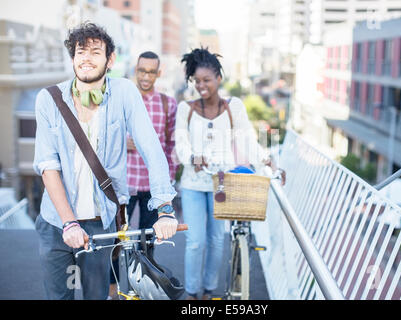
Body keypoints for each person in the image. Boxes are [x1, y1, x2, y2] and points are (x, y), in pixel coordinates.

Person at [33, 22, 178, 300]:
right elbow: (48, 166)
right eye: (80, 51)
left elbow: (151, 148)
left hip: (101, 223)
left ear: (110, 59)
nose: (86, 58)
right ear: (73, 57)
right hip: (56, 222)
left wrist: (164, 207)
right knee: (58, 297)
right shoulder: (49, 99)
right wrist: (69, 223)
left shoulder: (124, 92)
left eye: (95, 52)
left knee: (96, 296)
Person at [175, 47, 277, 300]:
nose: (201, 85)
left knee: (217, 241)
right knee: (195, 241)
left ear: (219, 78)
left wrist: (265, 159)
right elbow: (180, 144)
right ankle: (191, 292)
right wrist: (192, 157)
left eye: (207, 80)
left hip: (223, 184)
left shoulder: (235, 107)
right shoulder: (184, 109)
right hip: (193, 184)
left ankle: (209, 290)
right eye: (196, 81)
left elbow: (247, 141)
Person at [126, 51, 178, 229]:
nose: (146, 76)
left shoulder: (168, 104)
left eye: (151, 72)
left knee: (148, 242)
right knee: (117, 242)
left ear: (159, 74)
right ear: (135, 70)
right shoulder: (124, 100)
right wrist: (122, 144)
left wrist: (169, 178)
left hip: (153, 185)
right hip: (125, 183)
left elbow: (172, 144)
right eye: (142, 71)